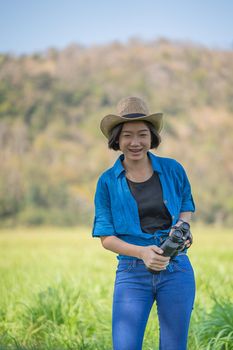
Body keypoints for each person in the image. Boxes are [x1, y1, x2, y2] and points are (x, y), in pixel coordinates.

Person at [92, 96, 195, 350]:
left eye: (142, 134)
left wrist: (182, 229)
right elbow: (106, 237)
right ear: (117, 139)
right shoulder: (107, 182)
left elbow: (185, 205)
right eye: (127, 135)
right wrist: (142, 253)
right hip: (131, 273)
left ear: (152, 138)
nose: (135, 142)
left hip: (177, 269)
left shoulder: (173, 169)